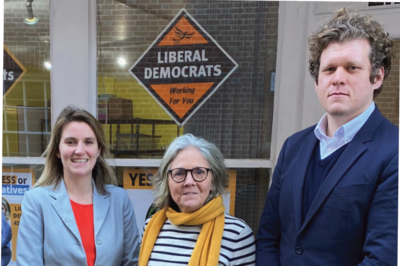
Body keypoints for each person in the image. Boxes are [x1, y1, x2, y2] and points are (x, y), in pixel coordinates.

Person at [256, 8, 398, 266]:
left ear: (377, 77)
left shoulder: (393, 151)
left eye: (352, 68)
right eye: (329, 69)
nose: (338, 79)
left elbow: (383, 258)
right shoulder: (294, 146)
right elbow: (268, 237)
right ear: (317, 81)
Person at [17, 105, 140, 266]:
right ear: (57, 151)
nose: (80, 150)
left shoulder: (119, 199)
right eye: (71, 142)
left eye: (88, 142)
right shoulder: (36, 201)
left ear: (98, 150)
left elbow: (132, 261)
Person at [139, 134, 256, 266]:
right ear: (167, 182)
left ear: (213, 181)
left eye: (199, 172)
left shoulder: (237, 235)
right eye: (179, 173)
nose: (189, 182)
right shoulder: (151, 226)